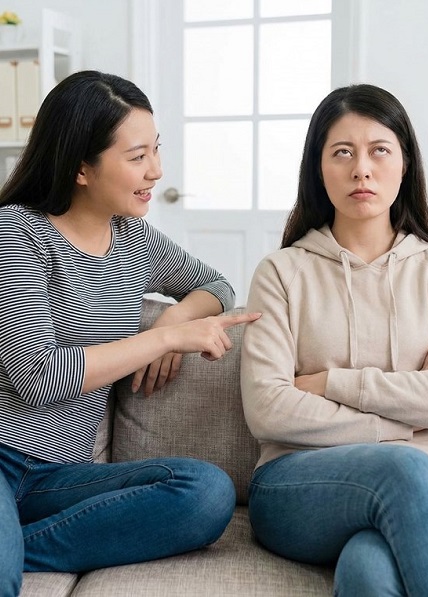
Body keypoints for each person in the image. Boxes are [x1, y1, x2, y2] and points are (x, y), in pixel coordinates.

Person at [0, 70, 260, 596]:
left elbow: (216, 286)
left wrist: (173, 318)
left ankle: (15, 546)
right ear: (81, 167)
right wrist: (163, 341)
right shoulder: (17, 231)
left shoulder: (134, 238)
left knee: (206, 492)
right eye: (138, 156)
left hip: (60, 477)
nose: (156, 171)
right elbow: (38, 377)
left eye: (155, 150)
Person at [240, 83, 428, 597]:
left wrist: (332, 383)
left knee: (367, 571)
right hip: (299, 484)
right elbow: (269, 409)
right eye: (342, 153)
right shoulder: (281, 273)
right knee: (404, 467)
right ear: (318, 168)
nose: (362, 169)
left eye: (379, 150)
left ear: (405, 163)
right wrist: (407, 419)